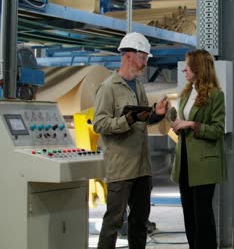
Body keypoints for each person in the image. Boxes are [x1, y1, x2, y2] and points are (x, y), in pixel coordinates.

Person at [93, 32, 168, 249]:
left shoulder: (139, 86)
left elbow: (142, 121)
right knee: (113, 222)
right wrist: (125, 120)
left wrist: (157, 115)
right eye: (142, 57)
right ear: (127, 56)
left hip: (142, 168)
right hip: (121, 168)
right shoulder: (108, 88)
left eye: (146, 58)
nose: (145, 63)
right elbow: (100, 124)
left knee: (139, 221)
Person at [171, 49, 226, 249]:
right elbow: (184, 124)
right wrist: (177, 124)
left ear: (198, 68)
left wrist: (192, 125)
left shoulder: (215, 95)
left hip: (204, 164)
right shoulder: (187, 93)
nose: (184, 69)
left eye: (187, 65)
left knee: (203, 216)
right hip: (185, 161)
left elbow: (218, 130)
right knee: (189, 215)